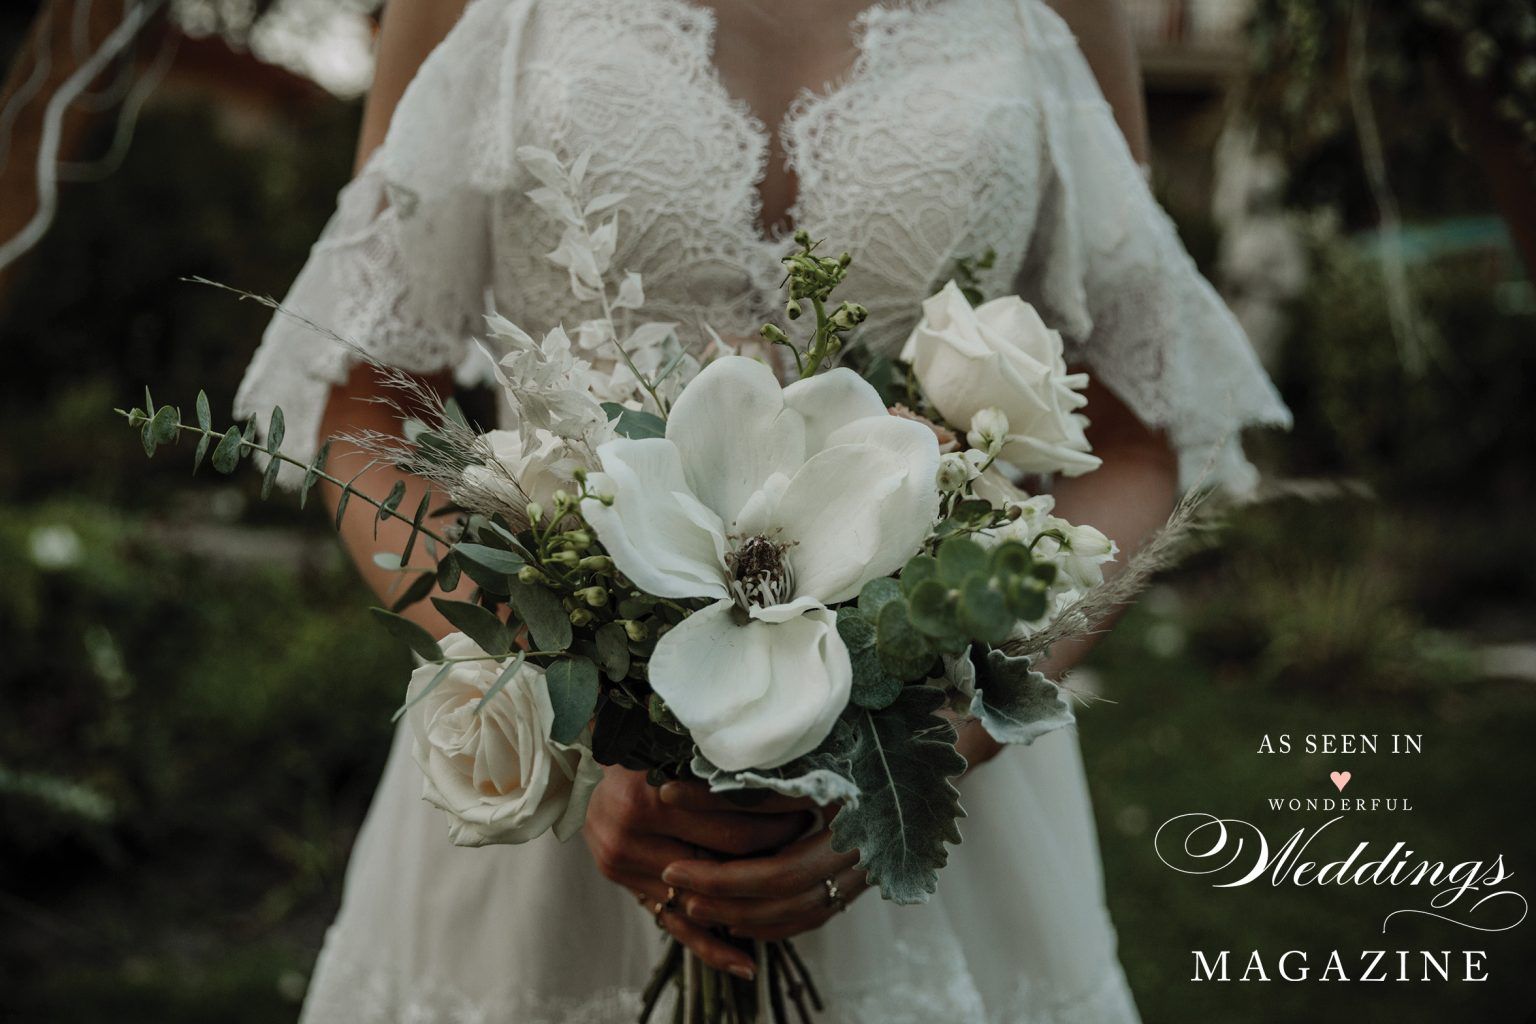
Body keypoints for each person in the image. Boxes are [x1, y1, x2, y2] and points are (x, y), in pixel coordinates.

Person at [234, 0, 1290, 1020]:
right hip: (564, 794)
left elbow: (1137, 432)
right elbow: (362, 399)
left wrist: (917, 754)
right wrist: (570, 717)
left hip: (935, 783)